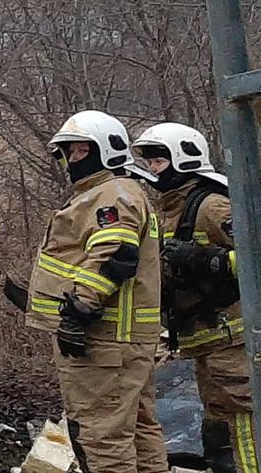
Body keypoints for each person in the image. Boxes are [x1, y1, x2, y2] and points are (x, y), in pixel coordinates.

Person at [28, 111, 164, 473]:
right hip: (121, 343)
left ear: (106, 152)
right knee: (139, 433)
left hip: (103, 342)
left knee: (104, 442)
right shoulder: (110, 193)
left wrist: (78, 313)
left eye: (80, 151)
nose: (73, 160)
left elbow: (115, 256)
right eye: (69, 152)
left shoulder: (111, 196)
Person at [135, 122, 253, 473]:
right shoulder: (169, 209)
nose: (153, 169)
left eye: (159, 161)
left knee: (243, 418)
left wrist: (208, 261)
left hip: (233, 336)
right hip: (204, 340)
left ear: (184, 159)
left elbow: (255, 256)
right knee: (217, 418)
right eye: (151, 162)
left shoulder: (211, 206)